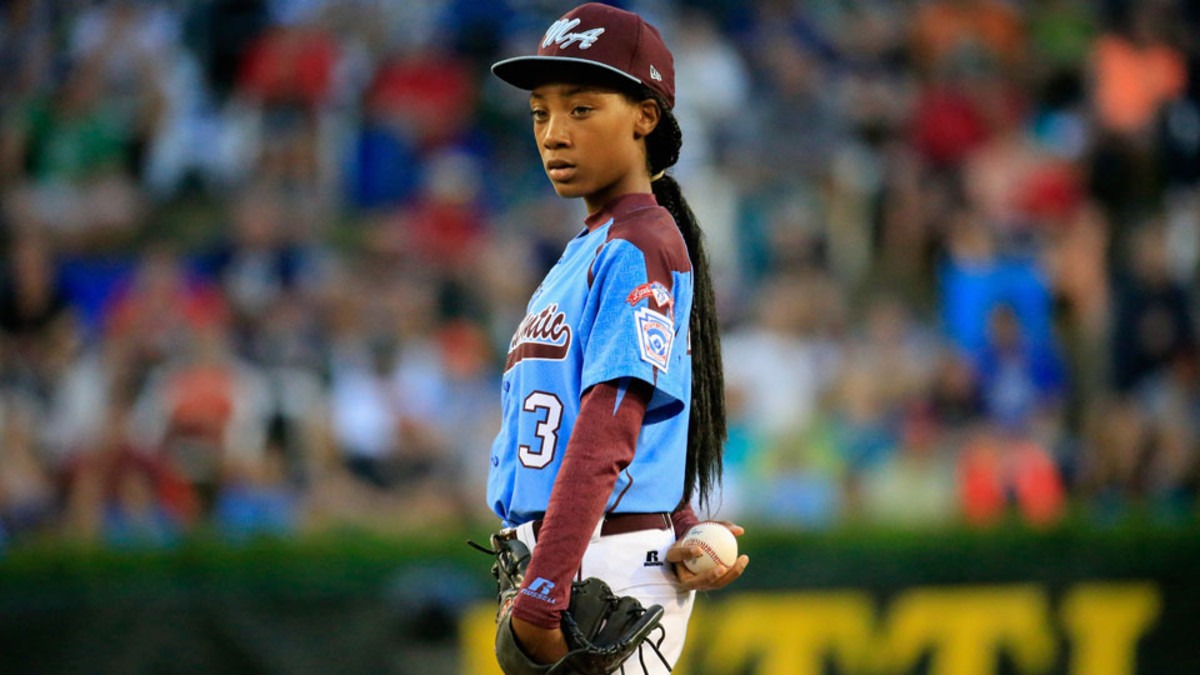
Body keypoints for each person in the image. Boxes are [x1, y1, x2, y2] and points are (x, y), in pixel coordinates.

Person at [485, 3, 749, 672]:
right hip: (574, 555)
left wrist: (545, 592)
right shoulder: (592, 246)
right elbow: (633, 424)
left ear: (644, 116)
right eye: (541, 112)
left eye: (581, 108)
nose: (553, 132)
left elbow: (610, 423)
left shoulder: (640, 240)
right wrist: (683, 520)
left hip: (596, 569)